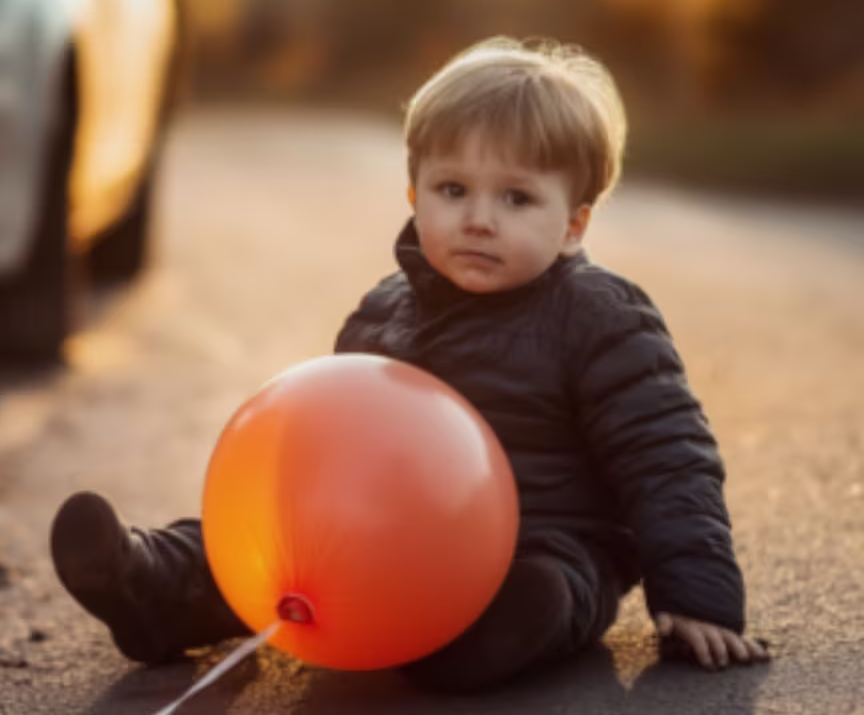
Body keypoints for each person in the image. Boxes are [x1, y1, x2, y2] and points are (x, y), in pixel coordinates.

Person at [48, 37, 770, 692]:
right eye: (453, 191)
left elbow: (666, 457)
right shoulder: (385, 308)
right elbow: (324, 447)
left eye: (517, 198)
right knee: (259, 547)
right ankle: (150, 589)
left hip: (542, 538)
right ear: (414, 195)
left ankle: (470, 637)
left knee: (546, 589)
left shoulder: (602, 315)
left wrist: (699, 598)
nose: (479, 218)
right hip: (376, 536)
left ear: (574, 224)